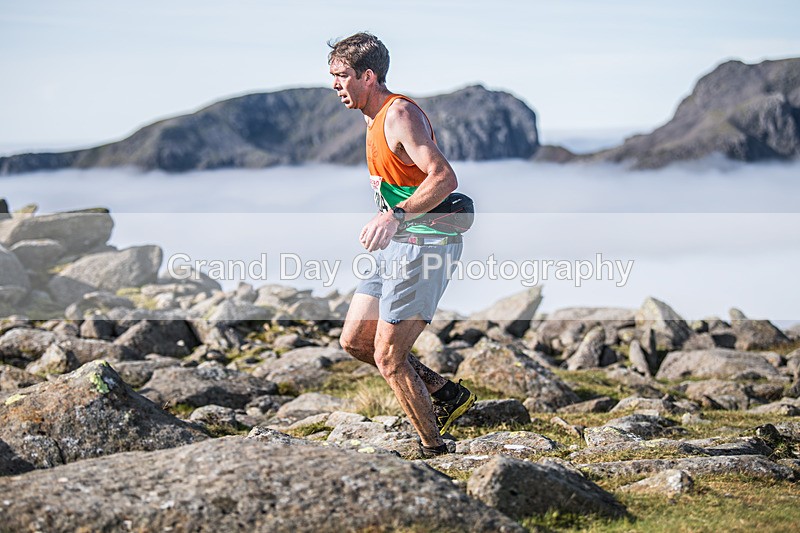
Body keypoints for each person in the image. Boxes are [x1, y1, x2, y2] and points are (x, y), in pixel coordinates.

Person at [328, 32, 476, 457]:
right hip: (397, 242)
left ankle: (434, 450)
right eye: (333, 76)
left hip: (425, 242)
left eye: (342, 76)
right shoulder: (369, 115)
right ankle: (445, 394)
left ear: (368, 76)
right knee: (356, 341)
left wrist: (394, 216)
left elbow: (444, 178)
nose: (335, 85)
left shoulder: (399, 115)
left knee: (389, 357)